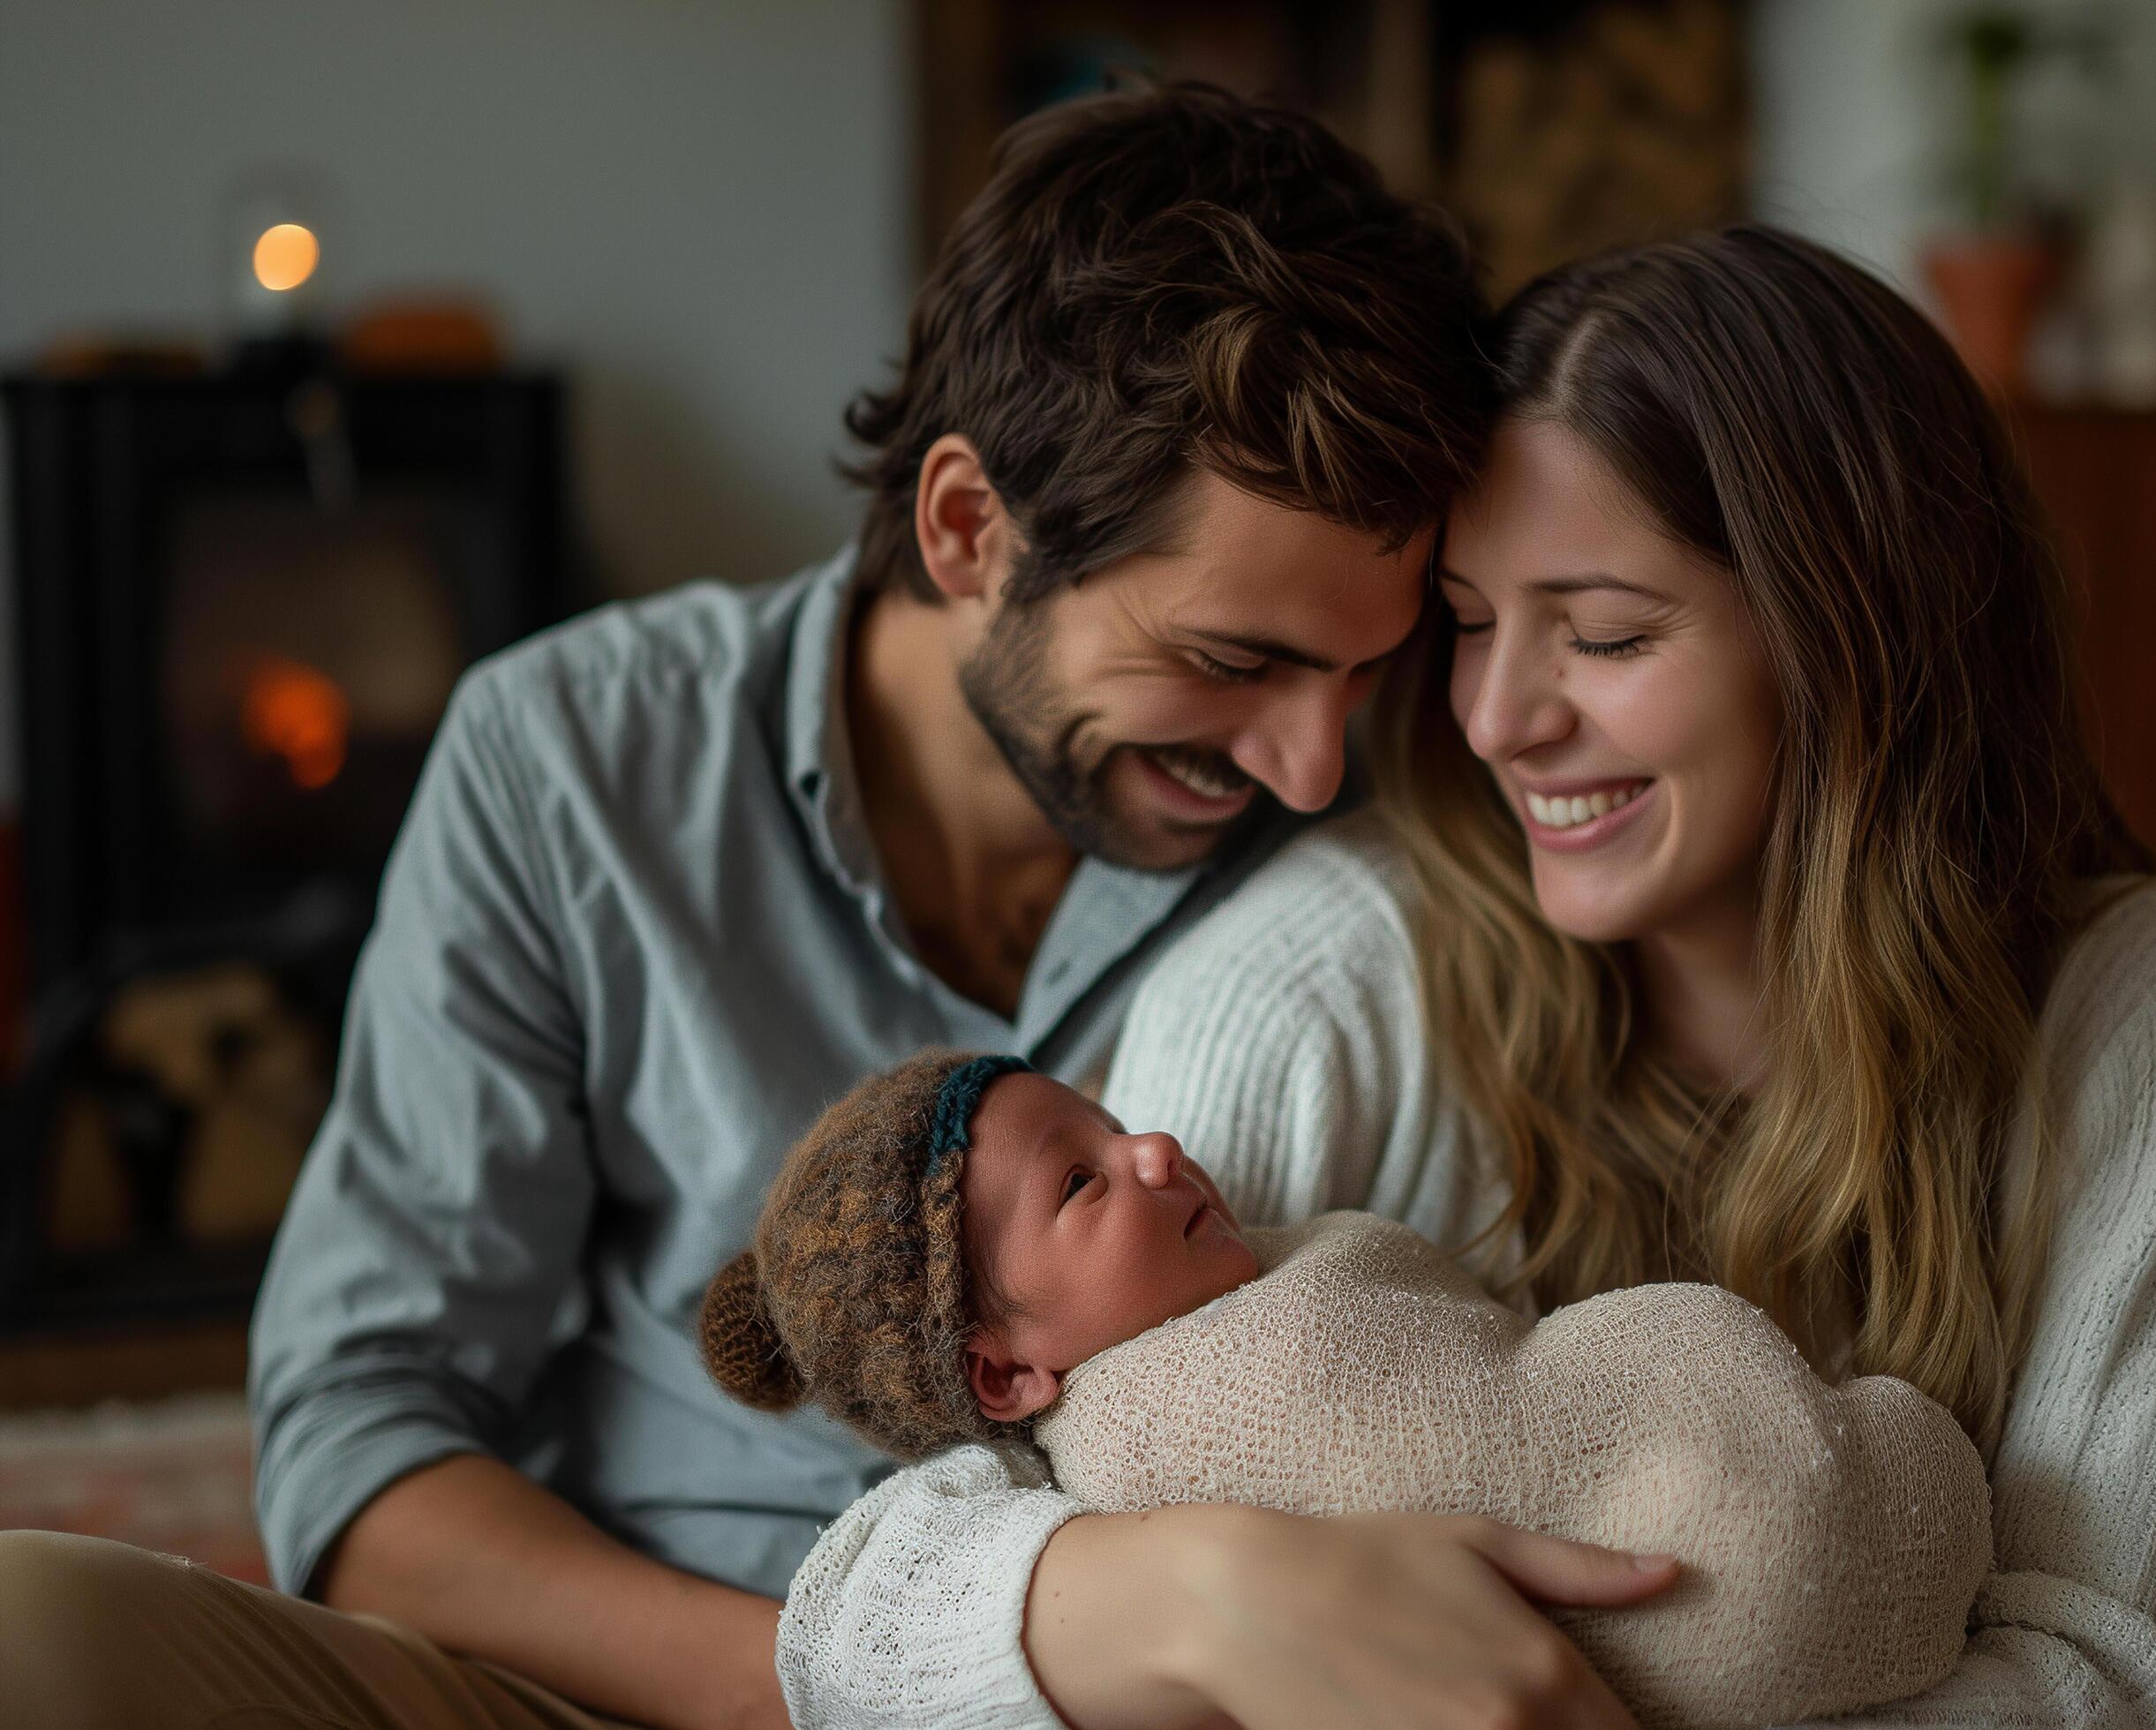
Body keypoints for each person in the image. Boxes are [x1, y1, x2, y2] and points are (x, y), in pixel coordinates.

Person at [0, 85, 1667, 1730]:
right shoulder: (571, 761)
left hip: (1185, 1702)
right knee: (38, 1626)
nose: (1314, 770)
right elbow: (362, 1450)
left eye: (1366, 669)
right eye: (1231, 664)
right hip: (648, 1682)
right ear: (966, 530)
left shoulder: (1379, 838)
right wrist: (839, 1684)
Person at [807, 228, 2156, 1730]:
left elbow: (2116, 1687)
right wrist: (1214, 1590)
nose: (1495, 720)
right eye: (1468, 629)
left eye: (1604, 635)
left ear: (1855, 634)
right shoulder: (1334, 972)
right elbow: (864, 1628)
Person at [700, 1049, 1994, 1730]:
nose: (1151, 1148)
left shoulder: (1250, 1273)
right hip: (1777, 1537)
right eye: (1083, 1182)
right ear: (1006, 1373)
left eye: (1111, 1121)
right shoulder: (1160, 1438)